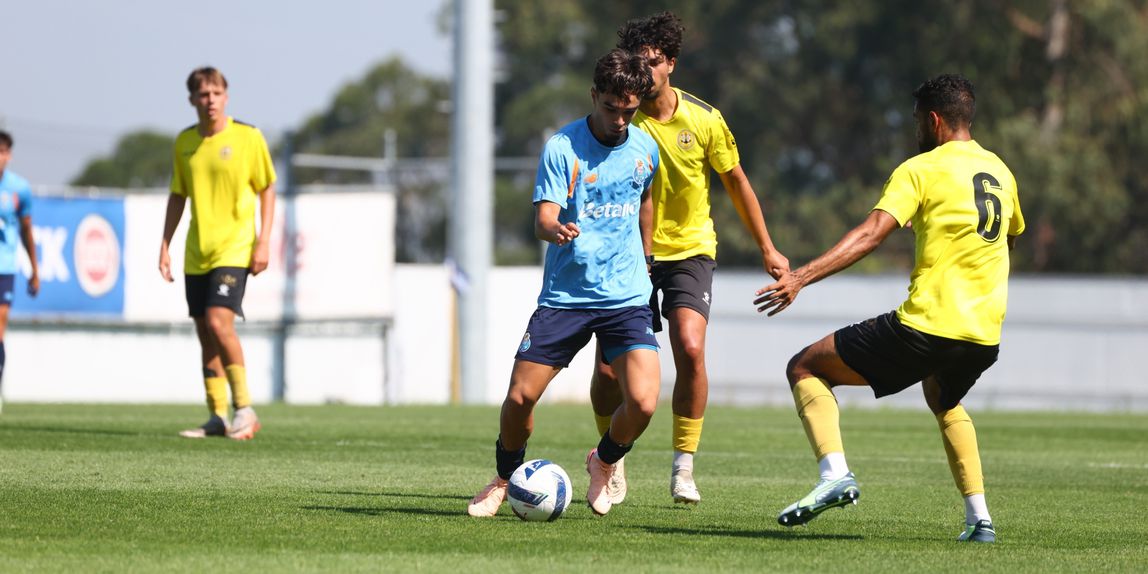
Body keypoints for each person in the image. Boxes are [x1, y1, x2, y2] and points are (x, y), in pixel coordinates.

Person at [753, 74, 1024, 543]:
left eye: (918, 121)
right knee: (944, 398)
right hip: (984, 335)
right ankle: (979, 519)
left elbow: (870, 234)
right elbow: (1009, 236)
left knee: (805, 366)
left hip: (927, 326)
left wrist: (800, 278)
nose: (916, 130)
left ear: (934, 121)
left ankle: (834, 475)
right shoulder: (1000, 171)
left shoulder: (921, 169)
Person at [590, 11, 789, 506]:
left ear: (672, 64)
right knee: (609, 372)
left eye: (655, 61)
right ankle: (610, 458)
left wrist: (767, 247)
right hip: (627, 254)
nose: (646, 70)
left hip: (690, 249)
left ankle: (683, 467)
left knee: (691, 346)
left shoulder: (704, 119)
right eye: (639, 62)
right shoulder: (622, 119)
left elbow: (736, 182)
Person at [467, 48, 661, 518]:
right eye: (611, 108)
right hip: (566, 297)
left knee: (643, 402)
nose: (619, 120)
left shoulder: (645, 148)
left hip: (626, 296)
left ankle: (604, 461)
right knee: (520, 398)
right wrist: (555, 229)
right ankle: (503, 477)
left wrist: (648, 257)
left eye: (630, 111)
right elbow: (543, 219)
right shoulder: (562, 148)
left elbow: (646, 199)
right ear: (594, 96)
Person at [160, 67, 277, 440]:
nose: (209, 100)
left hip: (235, 248)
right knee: (205, 332)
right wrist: (165, 245)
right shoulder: (184, 142)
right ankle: (217, 416)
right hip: (198, 251)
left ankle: (245, 409)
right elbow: (178, 194)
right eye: (203, 94)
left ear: (226, 96)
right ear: (192, 100)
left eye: (215, 93)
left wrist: (263, 241)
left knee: (217, 322)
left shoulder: (248, 137)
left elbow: (267, 187)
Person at [0, 131, 40, 414]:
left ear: (10, 155)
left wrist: (35, 269)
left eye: (3, 151)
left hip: (4, 267)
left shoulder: (18, 189)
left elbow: (26, 230)